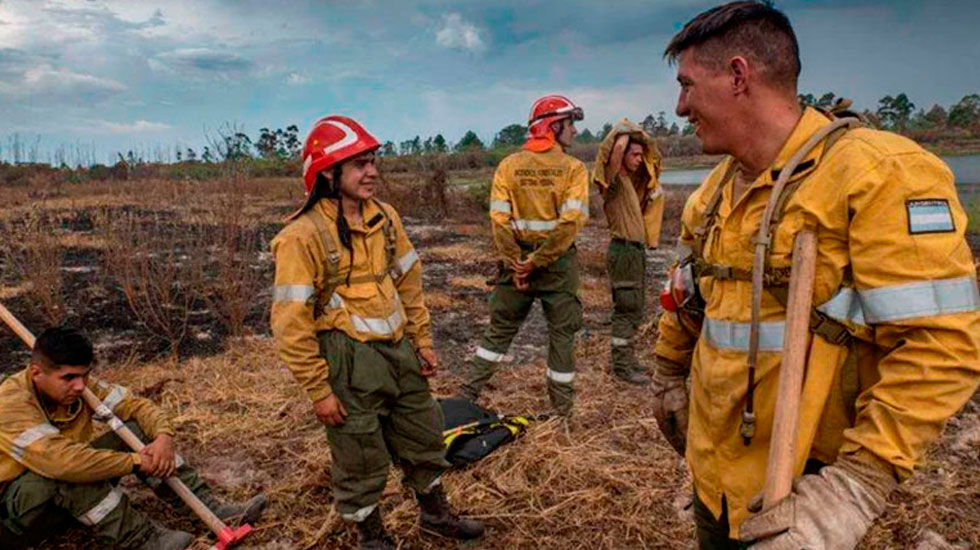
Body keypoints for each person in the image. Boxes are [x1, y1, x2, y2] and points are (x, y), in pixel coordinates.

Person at [651, 2, 980, 549]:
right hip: (717, 474)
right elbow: (688, 294)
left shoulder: (877, 174)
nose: (680, 106)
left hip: (808, 489)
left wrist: (855, 488)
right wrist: (667, 373)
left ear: (738, 75)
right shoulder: (711, 195)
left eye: (687, 85)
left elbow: (941, 346)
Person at [270, 115, 483, 550]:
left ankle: (436, 514)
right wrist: (318, 390)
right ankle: (371, 536)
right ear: (328, 174)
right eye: (359, 164)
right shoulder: (301, 236)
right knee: (359, 452)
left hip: (398, 352)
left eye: (372, 161)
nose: (372, 172)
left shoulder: (385, 218)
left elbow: (409, 281)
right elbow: (290, 323)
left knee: (423, 432)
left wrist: (421, 341)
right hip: (347, 362)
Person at [0, 327, 266, 550]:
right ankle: (144, 541)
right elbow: (61, 462)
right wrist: (136, 461)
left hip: (53, 499)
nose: (80, 386)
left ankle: (210, 510)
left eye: (84, 375)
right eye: (69, 378)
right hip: (13, 520)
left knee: (136, 431)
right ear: (36, 373)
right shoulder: (10, 403)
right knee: (71, 470)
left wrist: (163, 436)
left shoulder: (78, 387)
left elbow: (136, 406)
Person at [458, 95, 589, 417]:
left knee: (499, 330)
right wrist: (538, 261)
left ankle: (465, 395)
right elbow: (571, 222)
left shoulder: (509, 166)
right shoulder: (573, 169)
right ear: (553, 126)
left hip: (515, 266)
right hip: (557, 266)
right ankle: (562, 414)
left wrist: (515, 262)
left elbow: (499, 220)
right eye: (570, 124)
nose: (574, 131)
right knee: (561, 337)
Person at [591, 119, 664, 385]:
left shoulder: (631, 184)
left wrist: (640, 144)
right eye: (635, 154)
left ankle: (628, 358)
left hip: (634, 252)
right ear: (620, 157)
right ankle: (622, 366)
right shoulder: (613, 183)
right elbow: (617, 147)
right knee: (626, 308)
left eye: (641, 155)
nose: (639, 159)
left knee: (635, 308)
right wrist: (627, 131)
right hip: (622, 251)